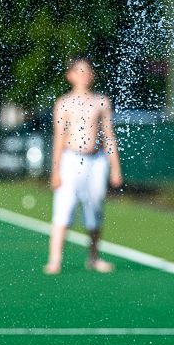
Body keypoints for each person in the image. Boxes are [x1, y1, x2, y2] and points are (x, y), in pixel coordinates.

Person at [45, 57, 123, 275]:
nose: (84, 75)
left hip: (96, 161)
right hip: (71, 159)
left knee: (95, 208)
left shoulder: (101, 102)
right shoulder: (64, 103)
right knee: (64, 208)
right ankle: (55, 259)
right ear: (70, 76)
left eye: (87, 71)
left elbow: (108, 136)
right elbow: (58, 137)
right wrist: (55, 170)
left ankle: (94, 257)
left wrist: (115, 168)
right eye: (79, 71)